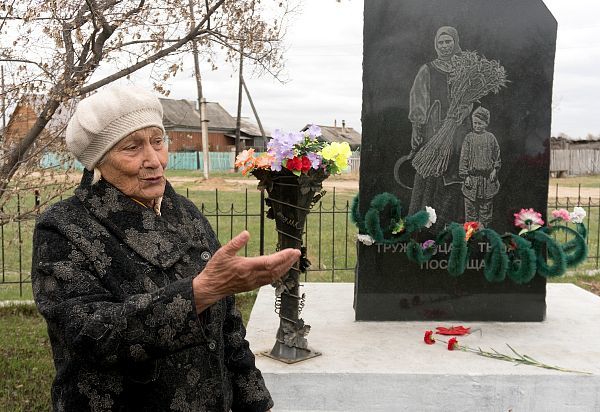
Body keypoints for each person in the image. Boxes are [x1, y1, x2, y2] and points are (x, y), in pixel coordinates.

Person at [31, 86, 299, 411]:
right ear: (98, 162)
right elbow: (90, 335)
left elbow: (227, 324)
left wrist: (254, 402)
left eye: (158, 141)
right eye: (133, 147)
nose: (154, 160)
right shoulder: (65, 227)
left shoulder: (185, 213)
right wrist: (198, 293)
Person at [407, 26, 472, 228]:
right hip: (435, 131)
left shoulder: (466, 69)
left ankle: (454, 225)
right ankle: (426, 225)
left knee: (455, 175)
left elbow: (472, 97)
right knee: (432, 174)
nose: (444, 46)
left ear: (455, 42)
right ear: (436, 44)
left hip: (460, 131)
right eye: (441, 42)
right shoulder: (428, 70)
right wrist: (417, 128)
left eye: (448, 42)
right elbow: (419, 101)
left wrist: (463, 112)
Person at [459, 106, 501, 228]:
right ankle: (470, 236)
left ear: (486, 123)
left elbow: (497, 155)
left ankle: (484, 235)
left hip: (487, 181)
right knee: (470, 210)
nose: (477, 126)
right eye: (475, 123)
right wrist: (465, 176)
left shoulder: (491, 138)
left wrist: (495, 169)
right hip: (471, 180)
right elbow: (463, 158)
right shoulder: (469, 138)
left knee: (486, 211)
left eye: (480, 123)